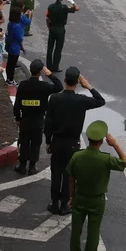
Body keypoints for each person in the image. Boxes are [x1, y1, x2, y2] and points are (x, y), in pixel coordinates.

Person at [67, 120, 126, 251]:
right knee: (93, 233)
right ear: (102, 141)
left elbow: (71, 179)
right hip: (97, 201)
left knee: (75, 233)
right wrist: (115, 144)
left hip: (80, 198)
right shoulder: (106, 159)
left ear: (88, 139)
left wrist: (71, 197)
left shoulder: (77, 156)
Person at [44, 68, 106, 215]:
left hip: (57, 142)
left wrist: (48, 141)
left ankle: (54, 203)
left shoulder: (54, 98)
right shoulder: (81, 100)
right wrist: (88, 86)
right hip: (72, 143)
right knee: (68, 174)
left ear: (65, 79)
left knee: (56, 173)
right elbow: (100, 101)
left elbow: (48, 123)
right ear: (78, 82)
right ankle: (64, 204)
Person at [14, 59, 63, 175]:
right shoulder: (44, 86)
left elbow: (17, 104)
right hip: (38, 120)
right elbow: (59, 86)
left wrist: (17, 118)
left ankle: (22, 165)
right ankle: (32, 166)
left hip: (25, 119)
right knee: (36, 143)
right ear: (40, 71)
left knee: (24, 142)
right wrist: (50, 74)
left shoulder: (23, 85)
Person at [46, 0, 80, 72]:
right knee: (58, 49)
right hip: (60, 29)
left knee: (50, 47)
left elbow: (47, 18)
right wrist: (71, 1)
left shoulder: (50, 6)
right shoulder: (64, 7)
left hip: (52, 28)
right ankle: (55, 67)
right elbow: (77, 8)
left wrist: (49, 27)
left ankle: (49, 66)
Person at [5, 7, 30, 86]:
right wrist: (22, 47)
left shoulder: (10, 24)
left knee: (9, 64)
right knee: (12, 65)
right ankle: (11, 80)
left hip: (10, 46)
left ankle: (8, 78)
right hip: (15, 48)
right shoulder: (17, 26)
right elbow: (20, 38)